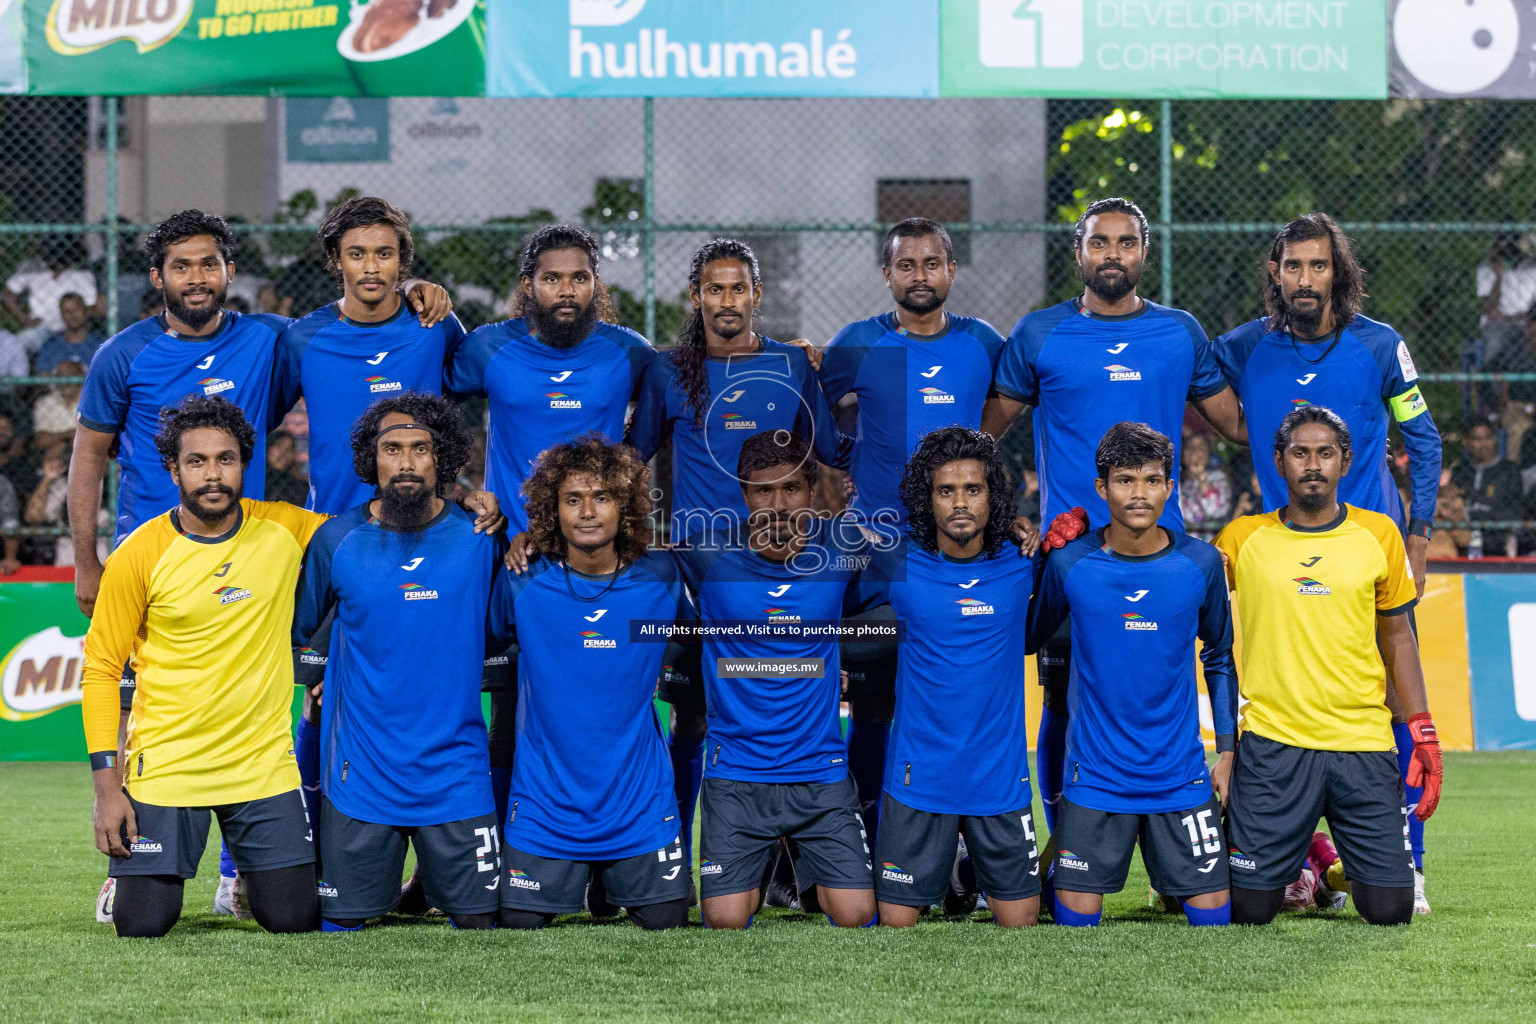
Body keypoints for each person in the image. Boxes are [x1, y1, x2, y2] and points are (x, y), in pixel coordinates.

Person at [71, 209, 452, 921]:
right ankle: (130, 858)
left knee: (270, 700)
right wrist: (89, 559)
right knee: (145, 704)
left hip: (242, 542)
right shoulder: (122, 356)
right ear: (157, 278)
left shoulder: (272, 339)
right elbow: (88, 453)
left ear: (228, 273)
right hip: (150, 555)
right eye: (180, 266)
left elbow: (352, 324)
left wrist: (415, 288)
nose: (195, 278)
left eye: (208, 265)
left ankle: (242, 864)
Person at [980, 196, 1247, 839]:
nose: (1112, 255)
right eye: (1100, 243)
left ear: (1144, 253)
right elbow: (983, 437)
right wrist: (1006, 516)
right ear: (1078, 252)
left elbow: (1238, 425)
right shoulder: (1039, 334)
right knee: (1062, 702)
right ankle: (1061, 842)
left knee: (1163, 696)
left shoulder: (1180, 332)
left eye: (1126, 243)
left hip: (1164, 553)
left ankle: (1173, 836)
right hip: (1071, 555)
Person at [627, 238, 848, 889]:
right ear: (696, 296)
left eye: (738, 288)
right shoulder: (670, 371)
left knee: (790, 699)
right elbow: (632, 460)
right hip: (705, 579)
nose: (727, 300)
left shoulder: (790, 365)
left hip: (788, 572)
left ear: (756, 293)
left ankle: (788, 861)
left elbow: (830, 453)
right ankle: (677, 859)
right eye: (714, 289)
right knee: (692, 717)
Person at [79, 395, 327, 938]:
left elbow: (372, 536)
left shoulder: (287, 529)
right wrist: (106, 791)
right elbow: (100, 668)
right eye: (196, 461)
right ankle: (126, 878)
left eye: (226, 459)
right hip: (168, 764)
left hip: (261, 763)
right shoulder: (141, 553)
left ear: (244, 464)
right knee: (143, 925)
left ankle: (249, 879)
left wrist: (469, 504)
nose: (212, 474)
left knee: (293, 919)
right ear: (173, 470)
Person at [448, 224, 654, 833]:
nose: (566, 290)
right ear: (528, 286)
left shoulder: (629, 352)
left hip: (595, 552)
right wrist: (457, 492)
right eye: (552, 278)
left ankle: (610, 842)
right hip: (503, 552)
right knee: (489, 701)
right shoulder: (488, 349)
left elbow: (680, 397)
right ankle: (478, 852)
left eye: (579, 277)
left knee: (594, 701)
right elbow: (423, 418)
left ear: (597, 284)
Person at [815, 217, 1009, 845]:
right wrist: (843, 463)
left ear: (951, 271)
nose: (919, 275)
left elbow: (992, 427)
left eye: (932, 263)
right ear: (887, 274)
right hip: (879, 555)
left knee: (958, 698)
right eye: (906, 264)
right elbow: (811, 411)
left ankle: (966, 851)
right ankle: (865, 841)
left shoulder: (984, 343)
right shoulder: (858, 343)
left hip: (958, 553)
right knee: (873, 701)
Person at [1215, 405, 1443, 926]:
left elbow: (1397, 635)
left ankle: (1320, 863)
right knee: (1250, 912)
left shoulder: (1380, 534)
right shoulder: (1240, 538)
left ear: (1346, 461)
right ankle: (1306, 856)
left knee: (1390, 911)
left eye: (1325, 453)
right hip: (1273, 744)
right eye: (1300, 453)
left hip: (1360, 742)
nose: (1312, 464)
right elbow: (1178, 586)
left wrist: (1422, 729)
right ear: (1278, 462)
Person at [292, 394, 503, 932]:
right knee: (340, 926)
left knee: (480, 926)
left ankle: (427, 884)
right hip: (362, 774)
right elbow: (302, 633)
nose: (406, 462)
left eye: (420, 449)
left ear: (443, 458)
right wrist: (318, 683)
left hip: (456, 773)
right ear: (371, 458)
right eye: (392, 449)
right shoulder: (334, 540)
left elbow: (505, 631)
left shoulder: (482, 539)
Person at [1027, 422, 1237, 927]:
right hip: (1096, 778)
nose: (1139, 493)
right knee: (1075, 926)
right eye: (1125, 480)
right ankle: (1042, 873)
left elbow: (1221, 657)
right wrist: (1037, 563)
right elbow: (1030, 638)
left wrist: (1228, 751)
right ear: (1101, 488)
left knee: (1215, 923)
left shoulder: (1202, 563)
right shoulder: (1071, 561)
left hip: (1180, 776)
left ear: (1170, 486)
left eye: (1151, 479)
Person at [670, 430, 878, 929]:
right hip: (737, 774)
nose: (778, 504)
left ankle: (804, 873)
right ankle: (760, 872)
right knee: (724, 921)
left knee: (857, 916)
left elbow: (900, 603)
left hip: (819, 773)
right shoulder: (705, 556)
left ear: (811, 492)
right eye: (763, 491)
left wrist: (837, 657)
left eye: (791, 489)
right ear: (743, 495)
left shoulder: (843, 552)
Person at [490, 435, 691, 930]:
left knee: (667, 923)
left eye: (602, 497)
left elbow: (706, 638)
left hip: (639, 802)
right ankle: (588, 876)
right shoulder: (522, 579)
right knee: (519, 926)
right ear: (551, 510)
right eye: (572, 499)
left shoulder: (663, 577)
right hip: (545, 804)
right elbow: (488, 642)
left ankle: (609, 878)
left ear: (626, 505)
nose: (588, 511)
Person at [853, 426, 1041, 928]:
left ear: (992, 495)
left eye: (973, 490)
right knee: (894, 924)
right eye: (946, 491)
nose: (960, 503)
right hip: (919, 778)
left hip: (998, 778)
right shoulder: (895, 561)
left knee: (1022, 923)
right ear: (928, 497)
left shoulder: (1025, 561)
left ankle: (965, 874)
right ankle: (957, 875)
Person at [4, 236, 99, 351]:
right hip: (41, 329)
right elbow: (8, 295)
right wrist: (25, 320)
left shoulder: (81, 274)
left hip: (72, 329)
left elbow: (91, 306)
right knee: (15, 344)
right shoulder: (33, 268)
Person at [1451, 421, 1522, 558]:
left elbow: (1512, 511)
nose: (1483, 444)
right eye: (1477, 439)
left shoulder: (1509, 471)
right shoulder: (1460, 472)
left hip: (1497, 538)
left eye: (1487, 438)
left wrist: (1474, 513)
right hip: (1463, 538)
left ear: (1495, 439)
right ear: (1466, 442)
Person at [34, 293, 105, 374]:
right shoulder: (50, 346)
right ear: (61, 316)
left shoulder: (101, 345)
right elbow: (42, 377)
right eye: (67, 311)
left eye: (76, 309)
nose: (72, 315)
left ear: (86, 312)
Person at [1178, 430, 1233, 533]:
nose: (1195, 452)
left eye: (1200, 448)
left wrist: (1201, 479)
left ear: (1208, 455)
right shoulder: (1176, 481)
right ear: (1183, 455)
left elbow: (1215, 510)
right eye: (1190, 448)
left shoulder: (1218, 478)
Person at [31, 359, 85, 452]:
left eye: (71, 374)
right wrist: (69, 435)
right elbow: (41, 441)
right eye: (62, 375)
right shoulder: (45, 402)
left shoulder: (92, 402)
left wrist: (59, 439)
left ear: (80, 377)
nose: (66, 380)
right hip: (52, 455)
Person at [264, 431, 308, 506]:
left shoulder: (301, 489)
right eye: (279, 446)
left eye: (290, 449)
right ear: (268, 449)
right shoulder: (252, 483)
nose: (284, 452)